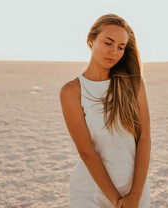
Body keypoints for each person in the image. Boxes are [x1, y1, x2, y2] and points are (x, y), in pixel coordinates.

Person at [59, 13, 151, 208]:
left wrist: (134, 195)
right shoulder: (72, 91)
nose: (114, 52)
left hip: (134, 191)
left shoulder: (133, 84)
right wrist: (117, 202)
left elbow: (144, 139)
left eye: (121, 47)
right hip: (90, 193)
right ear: (91, 40)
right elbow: (86, 151)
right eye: (108, 43)